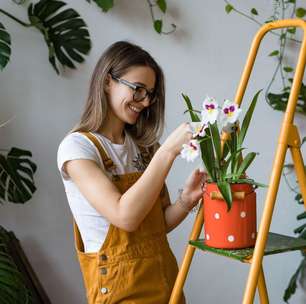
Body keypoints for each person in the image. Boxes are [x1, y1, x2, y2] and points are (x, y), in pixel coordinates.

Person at [57, 41, 206, 304]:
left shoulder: (144, 148)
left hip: (165, 280)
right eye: (138, 90)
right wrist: (168, 151)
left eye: (150, 93)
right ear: (107, 82)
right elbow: (125, 217)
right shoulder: (77, 148)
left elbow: (157, 226)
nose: (145, 101)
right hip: (120, 288)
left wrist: (186, 200)